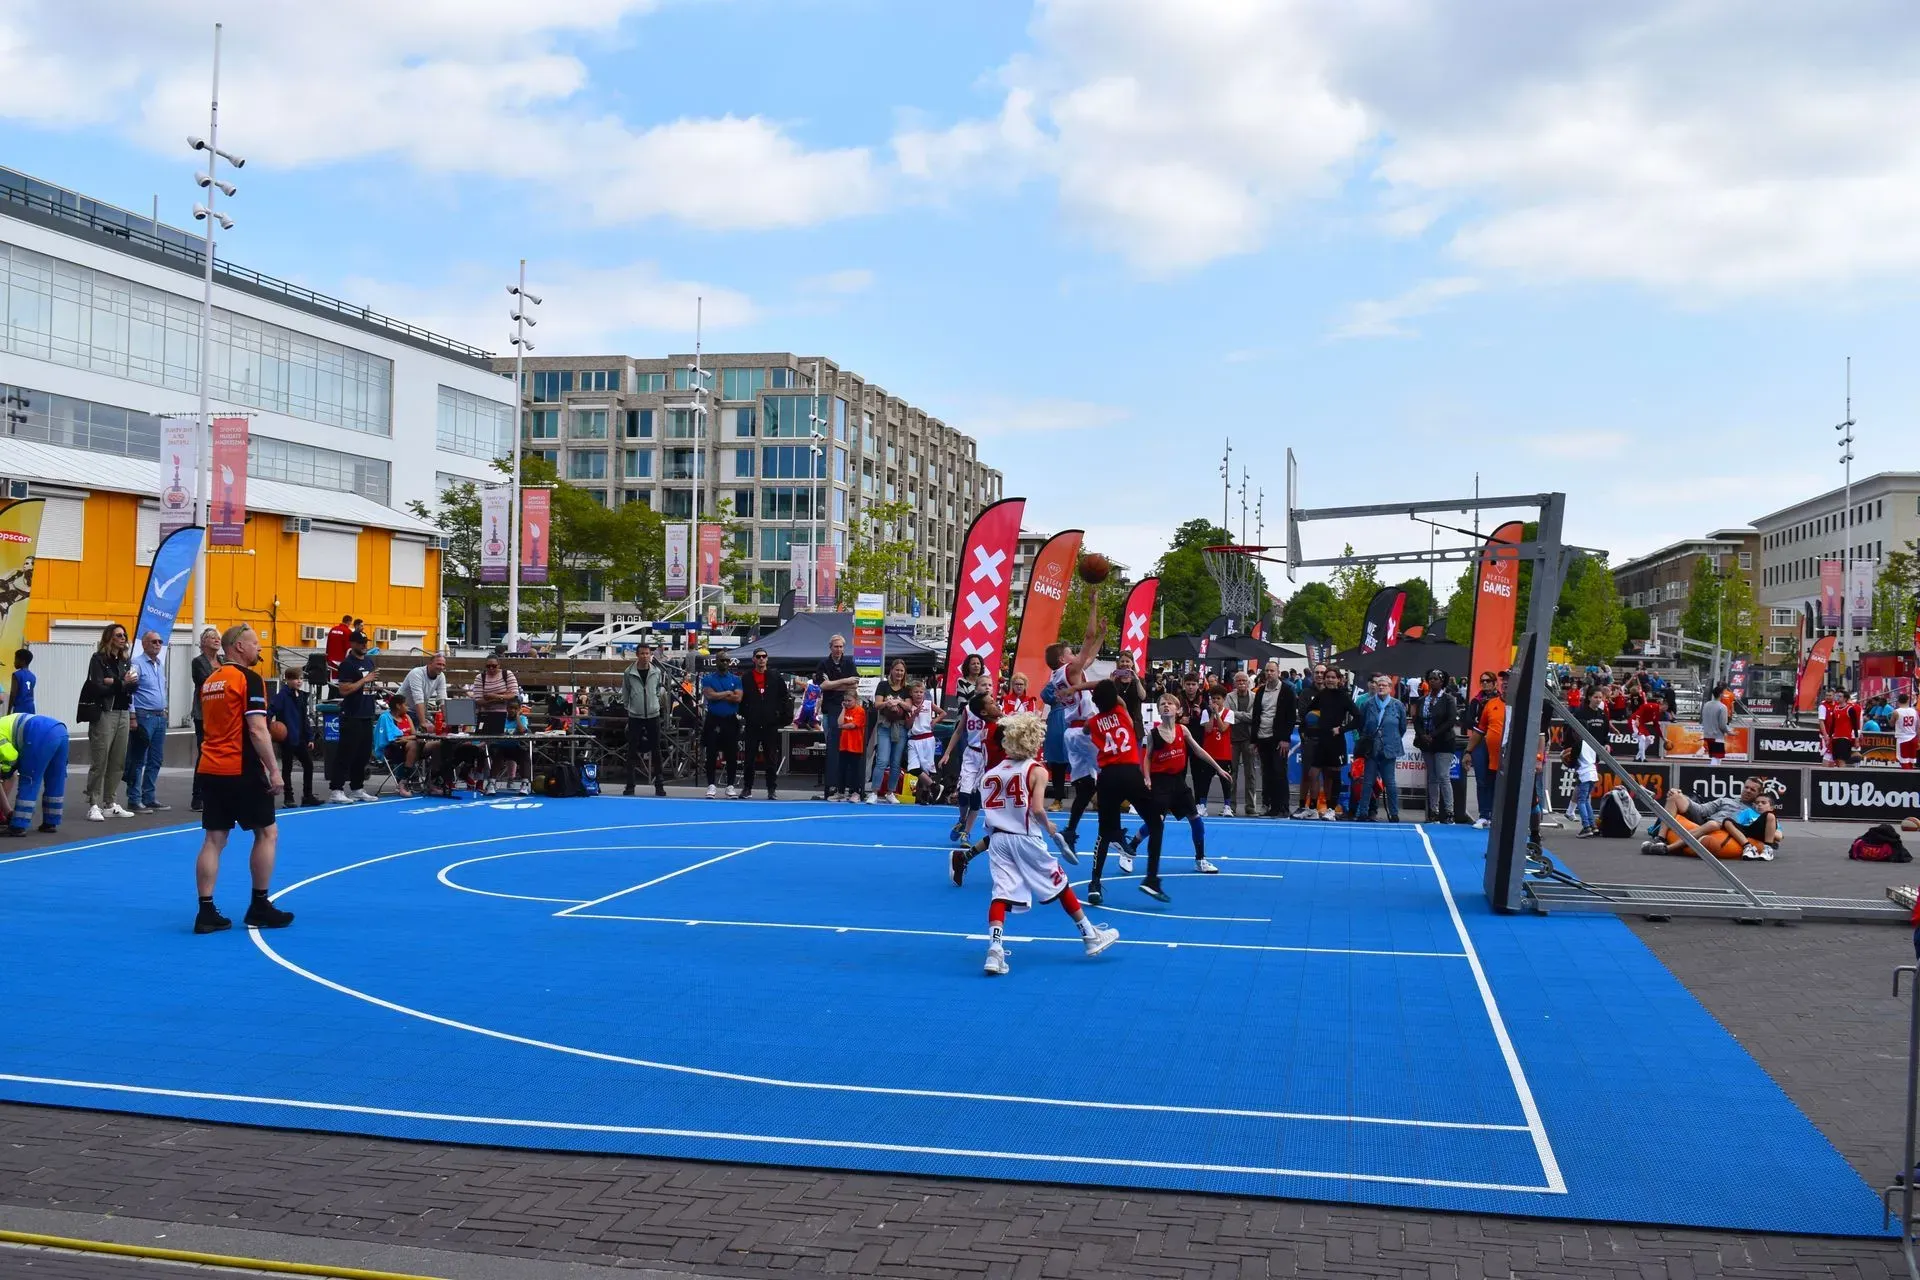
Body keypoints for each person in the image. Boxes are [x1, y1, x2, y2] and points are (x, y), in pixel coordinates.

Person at [975, 712, 1119, 977]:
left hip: (998, 838)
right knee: (1059, 881)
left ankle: (994, 949)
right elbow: (1037, 808)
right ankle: (1089, 934)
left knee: (1001, 893)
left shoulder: (991, 773)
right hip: (1025, 837)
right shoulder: (1036, 770)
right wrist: (1050, 827)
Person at [193, 623, 293, 935]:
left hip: (210, 764)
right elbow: (257, 728)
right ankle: (259, 904)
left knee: (214, 839)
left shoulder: (211, 680)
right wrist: (273, 770)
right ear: (238, 646)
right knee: (267, 833)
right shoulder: (248, 679)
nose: (259, 648)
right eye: (254, 643)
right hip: (240, 765)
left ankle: (206, 910)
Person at [1085, 679, 1168, 905]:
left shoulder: (1092, 723)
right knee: (1155, 823)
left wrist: (1076, 690)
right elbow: (1117, 699)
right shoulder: (1122, 713)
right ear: (1114, 699)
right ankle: (1151, 878)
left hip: (1108, 776)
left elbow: (1085, 727)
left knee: (1103, 832)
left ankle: (1094, 883)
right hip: (1130, 773)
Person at [1146, 691, 1227, 874]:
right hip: (1160, 782)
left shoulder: (1183, 730)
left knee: (1196, 819)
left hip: (1178, 781)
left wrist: (1218, 768)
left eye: (1170, 703)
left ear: (1178, 710)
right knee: (1157, 822)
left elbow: (1199, 751)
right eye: (1162, 704)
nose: (1166, 705)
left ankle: (1200, 860)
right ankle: (1131, 848)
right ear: (1158, 710)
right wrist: (1147, 777)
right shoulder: (1153, 734)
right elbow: (1147, 757)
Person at [1049, 604, 1107, 850]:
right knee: (1114, 774)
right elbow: (1088, 637)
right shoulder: (1071, 670)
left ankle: (1070, 831)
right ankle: (1112, 831)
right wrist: (1092, 603)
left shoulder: (1058, 675)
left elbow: (1090, 654)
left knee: (1086, 786)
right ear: (1063, 659)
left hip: (1072, 732)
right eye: (1072, 652)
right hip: (1085, 730)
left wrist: (1103, 635)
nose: (1077, 654)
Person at [84, 622, 139, 821]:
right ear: (109, 638)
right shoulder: (99, 659)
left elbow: (134, 686)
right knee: (100, 759)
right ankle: (93, 803)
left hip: (123, 711)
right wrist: (121, 683)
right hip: (105, 712)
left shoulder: (125, 661)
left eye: (124, 635)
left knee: (118, 761)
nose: (122, 638)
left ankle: (110, 801)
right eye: (118, 635)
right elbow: (97, 687)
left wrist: (115, 682)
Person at [1296, 666, 1355, 821]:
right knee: (1312, 773)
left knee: (1332, 776)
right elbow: (1308, 713)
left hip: (1335, 741)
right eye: (1327, 677)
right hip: (1321, 741)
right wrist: (1307, 727)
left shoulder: (1344, 697)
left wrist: (1341, 729)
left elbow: (1359, 718)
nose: (1329, 679)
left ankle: (1331, 810)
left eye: (1332, 677)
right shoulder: (1322, 695)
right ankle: (1313, 809)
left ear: (1339, 680)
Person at [327, 630, 378, 804]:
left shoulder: (370, 661)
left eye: (366, 642)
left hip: (366, 712)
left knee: (363, 755)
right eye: (361, 642)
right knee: (346, 753)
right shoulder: (348, 664)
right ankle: (336, 789)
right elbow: (343, 689)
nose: (364, 645)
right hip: (352, 714)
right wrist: (364, 680)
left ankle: (357, 788)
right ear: (353, 644)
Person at [0, 710, 67, 835]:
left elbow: (11, 756)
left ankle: (18, 825)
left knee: (29, 779)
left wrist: (5, 772)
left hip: (39, 735)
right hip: (60, 730)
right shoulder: (3, 724)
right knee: (55, 778)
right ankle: (51, 822)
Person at [124, 628, 169, 814]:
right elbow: (130, 691)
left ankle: (149, 797)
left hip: (159, 716)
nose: (158, 644)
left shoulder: (159, 664)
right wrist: (132, 716)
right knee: (138, 758)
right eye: (153, 641)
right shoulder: (136, 664)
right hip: (144, 716)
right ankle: (134, 799)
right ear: (144, 644)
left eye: (159, 641)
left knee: (156, 759)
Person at [739, 647, 793, 801]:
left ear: (767, 659)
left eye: (764, 656)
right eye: (758, 656)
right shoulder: (747, 678)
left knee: (771, 758)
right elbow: (742, 700)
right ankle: (747, 788)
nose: (761, 659)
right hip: (753, 723)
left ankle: (771, 789)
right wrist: (747, 713)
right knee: (749, 758)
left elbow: (784, 697)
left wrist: (778, 714)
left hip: (770, 723)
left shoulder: (775, 677)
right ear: (753, 659)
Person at [813, 635, 860, 800]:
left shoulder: (849, 662)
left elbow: (854, 684)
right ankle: (832, 787)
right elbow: (823, 686)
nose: (838, 649)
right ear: (830, 647)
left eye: (841, 647)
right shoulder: (823, 664)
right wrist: (844, 681)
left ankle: (847, 788)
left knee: (849, 749)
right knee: (833, 749)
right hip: (830, 710)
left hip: (849, 710)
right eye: (835, 646)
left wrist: (834, 684)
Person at [1356, 674, 1407, 821]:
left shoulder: (1398, 705)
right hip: (1371, 748)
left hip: (1389, 749)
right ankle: (1363, 812)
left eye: (1384, 685)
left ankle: (1394, 813)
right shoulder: (1368, 704)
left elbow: (1402, 727)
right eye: (1379, 685)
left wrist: (1391, 739)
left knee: (1390, 783)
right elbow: (1361, 725)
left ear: (1391, 688)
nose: (1381, 687)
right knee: (1367, 781)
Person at [620, 644, 667, 797]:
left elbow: (657, 691)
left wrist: (655, 704)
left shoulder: (656, 671)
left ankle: (659, 784)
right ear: (637, 655)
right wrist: (629, 707)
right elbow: (626, 691)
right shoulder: (629, 672)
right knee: (632, 751)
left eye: (647, 653)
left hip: (653, 715)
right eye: (642, 653)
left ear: (650, 654)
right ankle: (630, 785)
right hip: (635, 715)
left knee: (657, 750)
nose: (645, 656)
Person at [269, 666, 320, 807]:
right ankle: (288, 797)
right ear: (287, 680)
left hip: (300, 738)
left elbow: (304, 719)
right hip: (287, 738)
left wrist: (309, 737)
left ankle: (308, 795)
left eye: (301, 679)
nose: (299, 681)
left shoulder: (301, 696)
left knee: (308, 765)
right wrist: (269, 728)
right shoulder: (281, 697)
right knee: (287, 767)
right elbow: (270, 711)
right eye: (295, 679)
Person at [1252, 661, 1296, 817]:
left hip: (1278, 738)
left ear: (1278, 672)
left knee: (1279, 772)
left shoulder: (1287, 691)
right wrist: (1254, 740)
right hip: (1262, 736)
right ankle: (1271, 805)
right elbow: (1256, 715)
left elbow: (1291, 717)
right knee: (1267, 773)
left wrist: (1285, 738)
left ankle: (1283, 806)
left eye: (1272, 670)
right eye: (1267, 671)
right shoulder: (1260, 691)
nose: (1269, 673)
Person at [1415, 670, 1459, 822]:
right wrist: (1422, 735)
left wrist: (1433, 735)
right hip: (1426, 743)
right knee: (1432, 777)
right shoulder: (1422, 700)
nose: (1432, 681)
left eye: (1435, 679)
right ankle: (1433, 811)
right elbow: (1417, 720)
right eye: (1430, 679)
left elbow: (1451, 720)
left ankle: (1449, 811)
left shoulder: (1448, 699)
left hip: (1444, 742)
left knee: (1443, 776)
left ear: (1442, 682)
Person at [868, 659, 914, 802]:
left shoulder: (907, 688)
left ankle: (890, 792)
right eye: (897, 670)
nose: (899, 673)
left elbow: (909, 707)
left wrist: (899, 701)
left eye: (902, 670)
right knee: (882, 760)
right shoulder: (883, 685)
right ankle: (874, 792)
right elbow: (877, 704)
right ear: (892, 670)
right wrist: (887, 703)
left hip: (900, 727)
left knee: (895, 762)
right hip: (885, 726)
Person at [700, 653, 744, 798]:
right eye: (722, 660)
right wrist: (726, 693)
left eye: (727, 660)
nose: (724, 662)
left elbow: (738, 698)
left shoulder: (736, 679)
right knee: (711, 753)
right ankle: (711, 785)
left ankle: (730, 786)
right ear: (717, 662)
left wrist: (719, 695)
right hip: (713, 719)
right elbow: (710, 696)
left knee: (731, 754)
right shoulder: (708, 679)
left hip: (730, 720)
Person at [1467, 671, 1507, 829]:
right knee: (1483, 780)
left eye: (1488, 681)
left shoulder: (1518, 704)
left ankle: (1499, 815)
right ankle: (1484, 815)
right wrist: (1468, 751)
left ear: (1494, 683)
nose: (1484, 683)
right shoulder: (1481, 702)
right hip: (1484, 745)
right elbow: (1477, 727)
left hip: (1506, 748)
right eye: (1482, 681)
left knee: (1501, 782)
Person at [189, 627, 222, 812]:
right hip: (203, 714)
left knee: (219, 753)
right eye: (211, 637)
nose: (216, 639)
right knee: (204, 753)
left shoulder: (223, 661)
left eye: (218, 637)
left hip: (221, 714)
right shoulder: (198, 662)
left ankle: (215, 794)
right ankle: (197, 796)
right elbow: (207, 681)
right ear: (203, 643)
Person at [1226, 670, 1260, 816]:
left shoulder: (1254, 696)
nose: (1241, 683)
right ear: (1235, 683)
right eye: (1238, 681)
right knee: (1231, 773)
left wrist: (1237, 714)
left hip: (1249, 739)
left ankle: (1250, 806)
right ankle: (1231, 806)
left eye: (1243, 681)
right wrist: (1242, 716)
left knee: (1250, 774)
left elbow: (1254, 717)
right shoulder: (1229, 696)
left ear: (1248, 683)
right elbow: (1227, 715)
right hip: (1232, 739)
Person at [1195, 689, 1234, 816]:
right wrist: (1212, 714)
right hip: (1209, 752)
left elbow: (1223, 728)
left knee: (1225, 781)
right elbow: (1208, 729)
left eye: (1218, 698)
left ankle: (1227, 806)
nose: (1215, 701)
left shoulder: (1229, 713)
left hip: (1223, 753)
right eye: (1213, 699)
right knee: (1204, 780)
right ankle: (1202, 805)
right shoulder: (1206, 712)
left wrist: (1217, 713)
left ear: (1223, 699)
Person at [374, 693, 418, 795]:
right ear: (398, 706)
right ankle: (403, 782)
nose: (407, 707)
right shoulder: (385, 718)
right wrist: (409, 739)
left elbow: (414, 735)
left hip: (409, 744)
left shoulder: (407, 716)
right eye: (405, 705)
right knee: (414, 746)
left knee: (435, 745)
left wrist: (407, 738)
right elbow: (394, 738)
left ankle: (434, 782)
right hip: (394, 748)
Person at [835, 691, 870, 801]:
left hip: (855, 746)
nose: (847, 703)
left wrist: (842, 726)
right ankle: (840, 792)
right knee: (842, 769)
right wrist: (843, 709)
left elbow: (852, 725)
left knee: (855, 771)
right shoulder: (845, 710)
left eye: (849, 701)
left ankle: (856, 792)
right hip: (844, 745)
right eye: (845, 700)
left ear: (855, 700)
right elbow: (839, 722)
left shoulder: (860, 710)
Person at [1700, 682, 1730, 761]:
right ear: (1720, 694)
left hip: (1707, 735)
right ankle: (1712, 773)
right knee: (1717, 760)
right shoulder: (1722, 707)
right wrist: (1729, 732)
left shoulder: (1706, 705)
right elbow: (1722, 725)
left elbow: (1703, 719)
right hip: (1717, 737)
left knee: (1712, 758)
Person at [323, 614, 353, 683]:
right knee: (341, 682)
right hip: (342, 661)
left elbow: (328, 644)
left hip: (331, 660)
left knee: (332, 682)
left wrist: (327, 657)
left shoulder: (332, 629)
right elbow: (349, 648)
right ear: (349, 622)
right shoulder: (348, 631)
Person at [8, 647, 35, 715]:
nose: (14, 662)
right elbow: (31, 694)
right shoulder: (33, 676)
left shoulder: (16, 674)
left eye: (16, 659)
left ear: (22, 661)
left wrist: (8, 711)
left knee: (18, 725)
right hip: (31, 708)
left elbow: (13, 693)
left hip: (20, 708)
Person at [1896, 693, 1919, 770]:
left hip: (1902, 738)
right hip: (1913, 737)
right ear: (1908, 700)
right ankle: (1911, 779)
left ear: (1898, 701)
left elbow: (1891, 723)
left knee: (1904, 762)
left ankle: (1907, 780)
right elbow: (1918, 726)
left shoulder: (1896, 712)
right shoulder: (1914, 711)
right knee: (1911, 761)